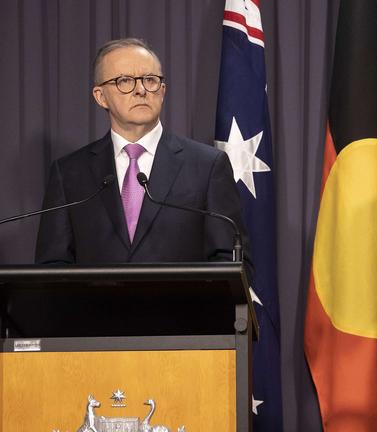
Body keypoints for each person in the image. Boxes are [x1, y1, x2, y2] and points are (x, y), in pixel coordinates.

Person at [35, 38, 247, 264]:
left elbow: (231, 261)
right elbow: (53, 266)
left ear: (162, 91)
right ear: (100, 96)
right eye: (124, 80)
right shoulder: (69, 173)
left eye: (150, 80)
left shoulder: (208, 166)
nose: (141, 90)